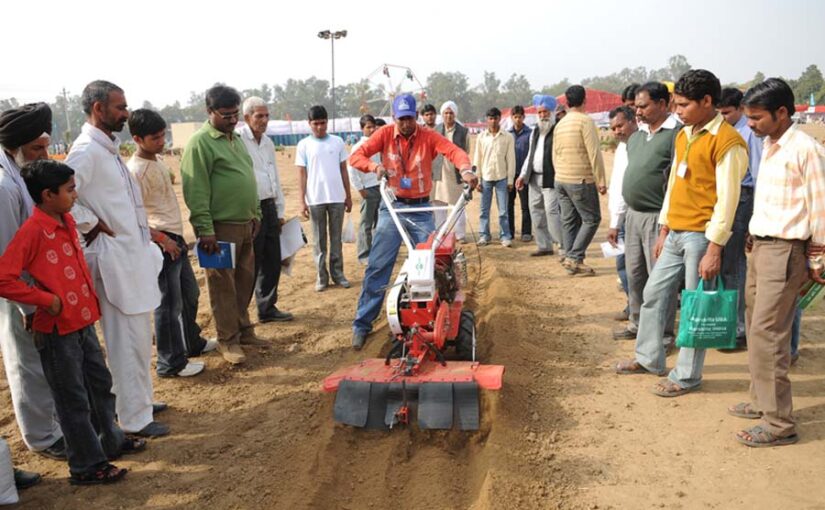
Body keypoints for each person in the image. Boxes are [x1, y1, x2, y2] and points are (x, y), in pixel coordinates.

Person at [0, 160, 145, 485]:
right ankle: (86, 466)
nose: (76, 195)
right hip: (55, 330)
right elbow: (3, 277)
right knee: (72, 399)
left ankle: (111, 440)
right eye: (70, 190)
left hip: (81, 321)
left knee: (99, 386)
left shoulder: (65, 220)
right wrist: (44, 300)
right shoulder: (33, 231)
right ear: (48, 195)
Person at [615, 70, 748, 397]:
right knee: (653, 295)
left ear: (707, 102)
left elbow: (729, 200)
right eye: (675, 104)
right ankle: (648, 358)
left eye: (684, 105)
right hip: (674, 232)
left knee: (694, 309)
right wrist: (664, 229)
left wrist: (714, 249)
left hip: (702, 237)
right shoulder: (683, 135)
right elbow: (674, 185)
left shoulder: (728, 142)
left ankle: (687, 376)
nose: (678, 110)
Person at [67, 80, 168, 437]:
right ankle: (134, 418)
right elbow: (61, 197)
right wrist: (91, 224)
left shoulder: (106, 148)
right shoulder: (84, 152)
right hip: (112, 260)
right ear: (99, 109)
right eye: (120, 108)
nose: (126, 114)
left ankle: (140, 402)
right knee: (125, 340)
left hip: (131, 258)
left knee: (139, 336)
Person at [729, 78, 825, 447]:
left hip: (786, 252)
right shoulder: (769, 145)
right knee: (756, 328)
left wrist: (816, 258)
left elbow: (820, 207)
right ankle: (760, 402)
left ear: (782, 113)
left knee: (769, 335)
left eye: (756, 117)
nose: (749, 124)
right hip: (762, 248)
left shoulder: (806, 150)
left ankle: (778, 424)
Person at [349, 94, 477, 350]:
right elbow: (356, 156)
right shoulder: (384, 134)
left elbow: (454, 151)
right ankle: (361, 325)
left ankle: (437, 317)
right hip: (393, 208)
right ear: (394, 118)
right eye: (401, 119)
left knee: (433, 265)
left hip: (421, 208)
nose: (406, 123)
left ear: (416, 117)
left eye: (410, 118)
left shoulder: (428, 136)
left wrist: (466, 170)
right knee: (378, 266)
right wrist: (374, 169)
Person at [0, 103, 66, 459]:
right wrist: (28, 304)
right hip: (17, 295)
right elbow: (7, 255)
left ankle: (51, 426)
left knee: (43, 362)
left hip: (36, 288)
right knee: (25, 362)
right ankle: (41, 437)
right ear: (19, 145)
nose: (44, 155)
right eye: (37, 148)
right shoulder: (3, 186)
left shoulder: (17, 173)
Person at [127, 109, 214, 378]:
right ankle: (170, 362)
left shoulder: (158, 161)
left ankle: (191, 343)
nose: (161, 141)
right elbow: (134, 216)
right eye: (155, 138)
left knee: (189, 295)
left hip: (175, 237)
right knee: (167, 304)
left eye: (163, 135)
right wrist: (163, 240)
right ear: (137, 139)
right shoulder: (136, 172)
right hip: (162, 243)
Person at [181, 85, 261, 365]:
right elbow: (196, 190)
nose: (232, 119)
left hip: (245, 223)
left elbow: (248, 176)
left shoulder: (235, 139)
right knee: (222, 285)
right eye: (225, 114)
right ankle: (227, 340)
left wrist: (256, 213)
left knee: (244, 280)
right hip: (219, 228)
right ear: (209, 111)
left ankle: (243, 328)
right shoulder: (200, 143)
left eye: (235, 113)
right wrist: (205, 230)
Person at [611, 82, 681, 345]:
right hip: (633, 215)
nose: (637, 112)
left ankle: (662, 334)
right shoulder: (637, 137)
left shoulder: (675, 136)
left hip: (657, 218)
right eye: (636, 107)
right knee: (635, 273)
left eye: (643, 106)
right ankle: (637, 323)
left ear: (663, 104)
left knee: (660, 279)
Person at [239, 97, 293, 323]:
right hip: (252, 209)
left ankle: (267, 308)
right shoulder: (239, 141)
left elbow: (275, 178)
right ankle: (241, 315)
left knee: (272, 259)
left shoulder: (268, 143)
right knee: (251, 262)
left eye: (266, 115)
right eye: (258, 116)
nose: (264, 120)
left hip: (270, 207)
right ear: (247, 118)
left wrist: (279, 211)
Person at [718, 87, 763, 350]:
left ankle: (739, 329)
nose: (723, 117)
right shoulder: (732, 130)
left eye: (727, 113)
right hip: (733, 196)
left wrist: (754, 217)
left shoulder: (750, 133)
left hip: (744, 197)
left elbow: (757, 176)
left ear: (739, 108)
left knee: (734, 266)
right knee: (729, 265)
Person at [296, 105, 352, 292]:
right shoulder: (304, 145)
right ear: (309, 124)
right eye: (316, 124)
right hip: (315, 199)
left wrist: (348, 195)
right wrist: (302, 200)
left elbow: (344, 169)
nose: (320, 127)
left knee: (336, 239)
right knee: (319, 241)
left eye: (323, 123)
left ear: (327, 122)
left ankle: (338, 274)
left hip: (336, 197)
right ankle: (322, 277)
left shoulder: (337, 142)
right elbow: (302, 174)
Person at [553, 85, 607, 276]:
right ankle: (574, 257)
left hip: (561, 178)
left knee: (568, 220)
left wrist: (559, 176)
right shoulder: (585, 122)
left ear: (567, 102)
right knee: (592, 219)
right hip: (580, 178)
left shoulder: (561, 123)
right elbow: (594, 153)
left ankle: (571, 258)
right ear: (585, 100)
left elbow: (555, 153)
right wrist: (601, 180)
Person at [515, 95, 564, 257]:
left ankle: (562, 246)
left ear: (552, 112)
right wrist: (522, 175)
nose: (543, 115)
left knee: (551, 212)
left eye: (546, 112)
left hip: (551, 177)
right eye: (540, 112)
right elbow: (530, 155)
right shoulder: (535, 130)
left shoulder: (558, 130)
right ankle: (544, 245)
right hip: (534, 178)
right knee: (535, 211)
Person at [605, 105, 637, 321]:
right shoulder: (622, 148)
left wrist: (616, 222)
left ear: (633, 121)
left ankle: (637, 311)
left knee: (631, 268)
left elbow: (628, 187)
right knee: (623, 266)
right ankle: (633, 306)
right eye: (613, 128)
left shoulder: (637, 146)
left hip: (630, 216)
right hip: (620, 217)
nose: (617, 131)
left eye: (620, 125)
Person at [473, 107, 516, 247]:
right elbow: (477, 159)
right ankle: (484, 235)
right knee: (484, 210)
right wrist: (477, 179)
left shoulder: (507, 137)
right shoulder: (481, 137)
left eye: (495, 118)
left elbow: (511, 159)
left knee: (503, 210)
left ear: (499, 119)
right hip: (486, 177)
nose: (493, 121)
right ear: (487, 120)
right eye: (490, 118)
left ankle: (505, 236)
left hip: (502, 177)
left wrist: (510, 180)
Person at [431, 101, 470, 241]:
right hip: (438, 173)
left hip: (455, 174)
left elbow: (466, 151)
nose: (448, 116)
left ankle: (460, 235)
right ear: (442, 114)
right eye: (446, 113)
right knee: (438, 205)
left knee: (458, 206)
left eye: (451, 113)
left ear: (455, 114)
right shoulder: (435, 130)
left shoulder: (463, 131)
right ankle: (441, 233)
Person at [347, 114, 381, 264]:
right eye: (368, 127)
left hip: (380, 187)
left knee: (380, 223)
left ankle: (377, 251)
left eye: (373, 126)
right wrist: (360, 189)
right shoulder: (358, 147)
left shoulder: (379, 144)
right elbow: (352, 169)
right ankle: (364, 254)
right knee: (366, 223)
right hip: (368, 188)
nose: (372, 129)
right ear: (362, 129)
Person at [508, 105, 532, 242]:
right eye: (515, 117)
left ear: (524, 117)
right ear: (512, 118)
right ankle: (510, 232)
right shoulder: (507, 134)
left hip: (524, 176)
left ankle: (526, 232)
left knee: (526, 205)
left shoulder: (530, 134)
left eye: (520, 117)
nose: (518, 120)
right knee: (509, 205)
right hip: (511, 175)